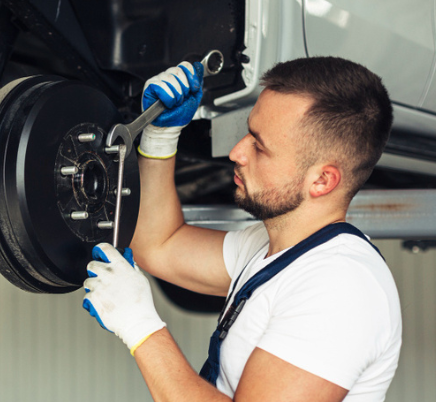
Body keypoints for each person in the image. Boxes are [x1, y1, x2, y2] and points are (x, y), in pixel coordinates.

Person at [81, 56, 402, 401]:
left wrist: (142, 328)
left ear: (322, 180)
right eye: (249, 133)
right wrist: (161, 137)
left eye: (259, 147)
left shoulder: (341, 289)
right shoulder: (273, 248)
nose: (236, 152)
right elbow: (158, 246)